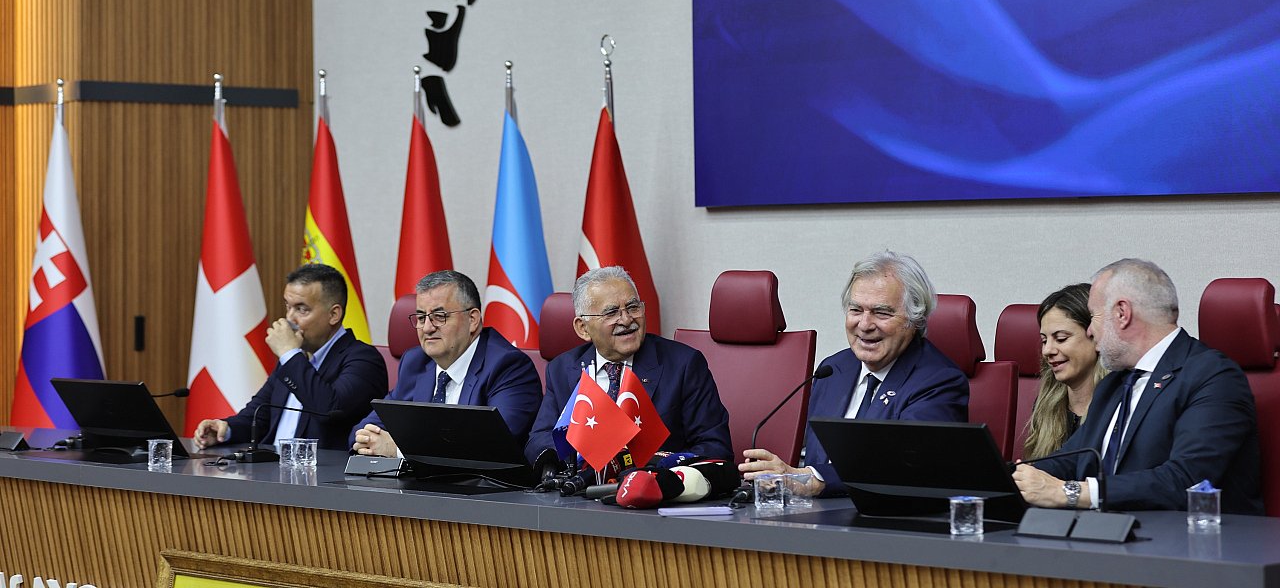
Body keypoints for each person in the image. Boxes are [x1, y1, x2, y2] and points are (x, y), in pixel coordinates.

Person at [1013, 259, 1262, 514]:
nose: (1089, 331)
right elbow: (1071, 459)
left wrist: (1069, 493)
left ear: (1122, 313)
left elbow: (1186, 480)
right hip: (1107, 531)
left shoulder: (1213, 376)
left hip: (1181, 534)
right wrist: (1012, 479)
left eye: (1093, 317)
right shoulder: (1114, 384)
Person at [740, 250, 969, 496]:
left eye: (882, 312)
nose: (865, 324)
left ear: (914, 320)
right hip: (815, 512)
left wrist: (813, 480)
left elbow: (903, 466)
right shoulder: (832, 370)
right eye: (856, 310)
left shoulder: (939, 381)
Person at [524, 266, 731, 469]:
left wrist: (657, 467)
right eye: (611, 312)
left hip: (652, 484)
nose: (626, 319)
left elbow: (714, 447)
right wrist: (581, 455)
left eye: (633, 307)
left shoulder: (683, 365)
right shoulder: (562, 369)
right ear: (583, 328)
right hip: (581, 486)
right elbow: (538, 440)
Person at [193, 263, 388, 451]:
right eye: (288, 306)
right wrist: (225, 429)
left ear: (334, 314)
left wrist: (289, 353)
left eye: (302, 309)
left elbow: (330, 410)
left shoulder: (364, 359)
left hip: (322, 471)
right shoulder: (293, 359)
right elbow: (258, 415)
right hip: (272, 467)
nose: (289, 319)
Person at [351, 270, 542, 457]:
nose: (427, 328)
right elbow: (362, 431)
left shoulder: (508, 367)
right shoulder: (415, 362)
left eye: (439, 316)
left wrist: (399, 450)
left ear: (472, 319)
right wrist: (369, 440)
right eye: (421, 317)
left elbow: (492, 445)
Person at [1022, 283, 1107, 460]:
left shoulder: (1120, 404)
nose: (1047, 350)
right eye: (1044, 341)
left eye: (1061, 339)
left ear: (1096, 336)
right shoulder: (1046, 403)